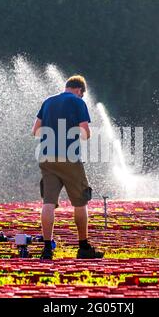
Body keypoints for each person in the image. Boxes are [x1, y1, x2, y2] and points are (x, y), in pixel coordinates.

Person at [32, 75, 104, 260]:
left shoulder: (48, 101)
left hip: (46, 157)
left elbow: (35, 131)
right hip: (69, 156)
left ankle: (47, 249)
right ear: (80, 91)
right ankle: (83, 247)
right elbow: (85, 132)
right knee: (80, 200)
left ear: (67, 87)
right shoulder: (78, 102)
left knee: (48, 202)